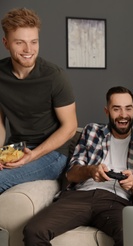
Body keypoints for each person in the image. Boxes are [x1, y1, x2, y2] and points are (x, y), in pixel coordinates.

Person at [23, 86, 133, 246]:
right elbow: (71, 175)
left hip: (117, 202)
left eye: (128, 108)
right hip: (80, 197)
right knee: (34, 230)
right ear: (107, 111)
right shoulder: (92, 131)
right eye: (116, 109)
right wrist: (90, 170)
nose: (123, 114)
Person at [0, 8, 77, 193]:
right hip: (17, 146)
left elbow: (70, 127)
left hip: (53, 153)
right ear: (6, 43)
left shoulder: (55, 77)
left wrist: (33, 155)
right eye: (20, 43)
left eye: (33, 42)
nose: (28, 50)